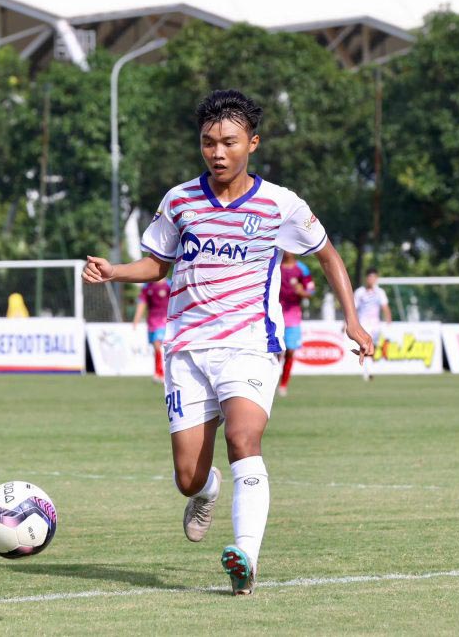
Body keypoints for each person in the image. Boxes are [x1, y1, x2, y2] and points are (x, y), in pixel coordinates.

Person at [82, 90, 373, 595]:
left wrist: (352, 319)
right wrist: (113, 272)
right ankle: (208, 489)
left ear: (252, 144)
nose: (217, 152)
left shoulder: (282, 205)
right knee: (188, 478)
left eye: (229, 142)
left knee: (244, 440)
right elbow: (156, 264)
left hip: (250, 343)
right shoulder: (178, 200)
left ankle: (245, 559)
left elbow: (328, 256)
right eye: (208, 142)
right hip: (187, 349)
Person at [277, 252, 316, 396]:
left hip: (293, 315)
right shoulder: (275, 265)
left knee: (290, 351)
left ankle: (283, 384)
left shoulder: (302, 269)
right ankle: (271, 381)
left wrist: (303, 292)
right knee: (275, 352)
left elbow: (311, 290)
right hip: (275, 314)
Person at [354, 267, 392, 381]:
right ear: (366, 278)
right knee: (365, 346)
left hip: (375, 324)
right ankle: (368, 372)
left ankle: (368, 370)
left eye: (373, 277)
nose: (371, 280)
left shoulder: (380, 292)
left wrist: (388, 320)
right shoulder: (360, 292)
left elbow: (385, 307)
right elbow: (353, 308)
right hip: (363, 324)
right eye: (369, 277)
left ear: (376, 279)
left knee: (372, 348)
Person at [133, 278, 170, 382]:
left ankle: (161, 372)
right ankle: (157, 372)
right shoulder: (147, 286)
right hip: (152, 321)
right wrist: (136, 319)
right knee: (156, 347)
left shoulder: (169, 284)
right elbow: (142, 303)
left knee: (159, 344)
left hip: (165, 320)